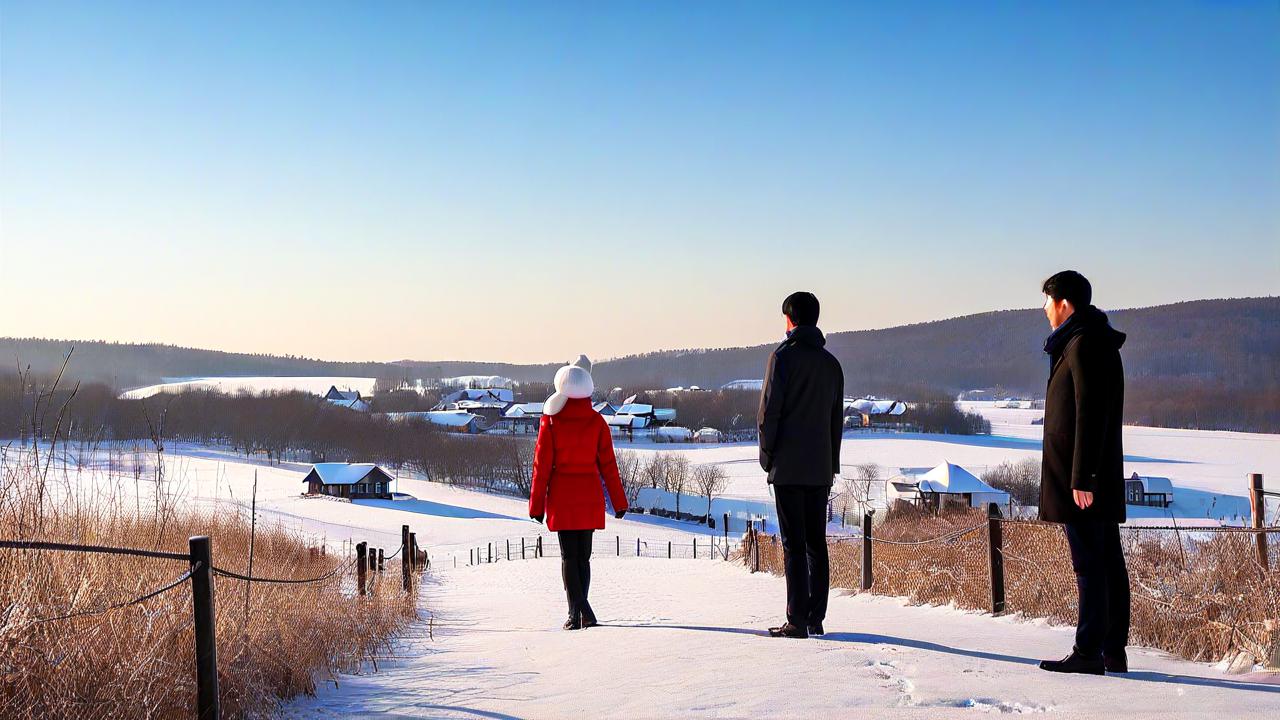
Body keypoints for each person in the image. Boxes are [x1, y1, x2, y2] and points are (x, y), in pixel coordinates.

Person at [1036, 270, 1131, 675]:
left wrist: (1081, 478)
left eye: (1046, 300)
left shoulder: (1084, 343)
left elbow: (1089, 412)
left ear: (1063, 303)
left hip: (1084, 481)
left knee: (1091, 563)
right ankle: (1112, 649)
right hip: (1091, 476)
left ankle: (1090, 650)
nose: (1043, 309)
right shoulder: (1087, 339)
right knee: (1107, 559)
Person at [758, 291, 845, 639]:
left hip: (789, 468)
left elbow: (768, 414)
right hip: (821, 467)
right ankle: (815, 617)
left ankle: (796, 619)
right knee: (815, 543)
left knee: (793, 544)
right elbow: (834, 421)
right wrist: (831, 462)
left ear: (790, 320)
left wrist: (768, 457)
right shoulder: (831, 364)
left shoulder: (782, 358)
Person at [528, 355, 628, 630]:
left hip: (562, 497)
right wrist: (619, 502)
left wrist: (536, 506)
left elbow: (541, 467)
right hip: (589, 496)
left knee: (568, 557)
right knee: (583, 557)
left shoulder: (551, 423)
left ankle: (579, 612)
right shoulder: (598, 423)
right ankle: (581, 612)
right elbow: (609, 466)